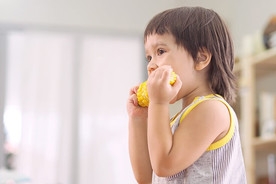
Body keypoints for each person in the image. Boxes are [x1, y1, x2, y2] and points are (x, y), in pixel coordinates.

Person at [127, 6, 247, 184]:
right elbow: (147, 178)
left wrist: (159, 104)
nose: (151, 66)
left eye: (160, 52)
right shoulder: (177, 121)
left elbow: (164, 165)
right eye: (149, 57)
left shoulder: (212, 109)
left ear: (201, 58)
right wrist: (137, 119)